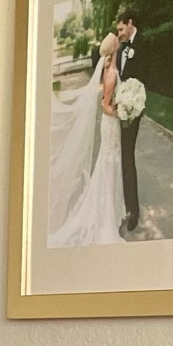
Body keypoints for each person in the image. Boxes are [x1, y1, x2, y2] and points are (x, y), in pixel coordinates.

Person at [47, 30, 123, 248]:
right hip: (111, 125)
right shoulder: (110, 73)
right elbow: (105, 106)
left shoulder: (110, 69)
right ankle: (104, 215)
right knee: (109, 164)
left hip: (111, 125)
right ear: (114, 47)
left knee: (109, 164)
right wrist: (124, 111)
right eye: (116, 38)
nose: (118, 38)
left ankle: (108, 210)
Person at [114, 7, 144, 237]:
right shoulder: (121, 49)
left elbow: (146, 77)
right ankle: (123, 205)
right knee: (121, 157)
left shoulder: (142, 44)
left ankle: (134, 212)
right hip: (121, 109)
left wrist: (134, 103)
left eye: (122, 28)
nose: (120, 33)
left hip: (133, 110)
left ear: (130, 23)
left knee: (127, 157)